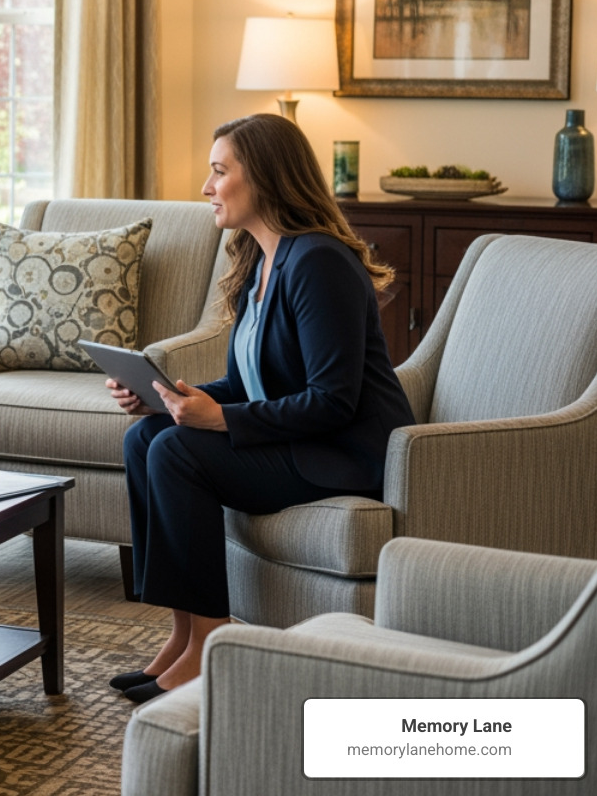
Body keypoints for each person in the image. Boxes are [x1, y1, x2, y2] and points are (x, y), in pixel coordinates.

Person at [108, 113, 414, 704]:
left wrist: (219, 419)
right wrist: (167, 398)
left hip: (344, 454)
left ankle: (213, 645)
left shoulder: (319, 262)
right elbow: (248, 381)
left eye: (219, 172)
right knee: (145, 437)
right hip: (299, 438)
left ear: (266, 178)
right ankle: (183, 637)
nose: (206, 187)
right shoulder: (260, 261)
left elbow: (333, 400)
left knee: (177, 452)